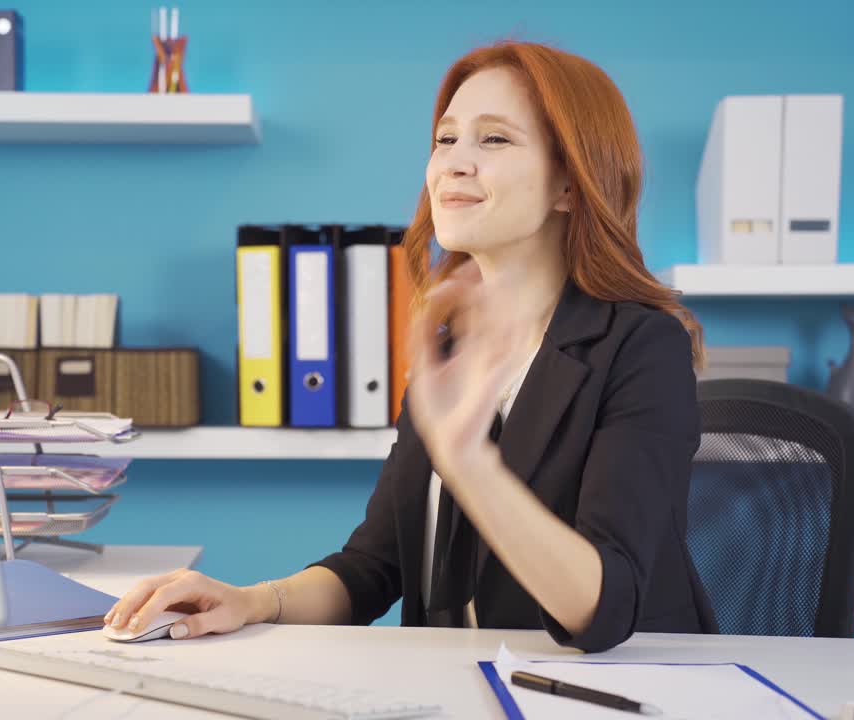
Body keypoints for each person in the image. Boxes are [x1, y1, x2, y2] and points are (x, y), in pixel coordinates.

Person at [105, 40, 718, 653]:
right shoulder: (452, 351)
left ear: (570, 183)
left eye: (494, 140)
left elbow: (604, 607)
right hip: (452, 687)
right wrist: (251, 600)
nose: (454, 163)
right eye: (446, 139)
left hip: (610, 695)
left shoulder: (641, 347)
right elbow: (374, 567)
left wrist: (471, 463)